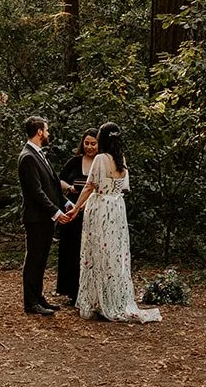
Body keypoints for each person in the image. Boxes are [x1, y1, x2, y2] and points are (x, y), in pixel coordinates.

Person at [65, 123, 162, 324]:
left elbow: (89, 186)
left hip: (101, 207)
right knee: (114, 254)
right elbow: (124, 187)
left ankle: (99, 301)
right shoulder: (121, 160)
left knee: (97, 253)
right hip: (117, 209)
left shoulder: (100, 159)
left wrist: (76, 208)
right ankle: (114, 298)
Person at [17, 116, 71, 316]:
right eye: (46, 130)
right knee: (34, 259)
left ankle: (38, 297)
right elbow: (36, 192)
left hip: (44, 218)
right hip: (36, 218)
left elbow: (52, 185)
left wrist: (66, 203)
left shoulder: (38, 154)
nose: (48, 134)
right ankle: (31, 302)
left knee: (41, 259)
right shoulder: (28, 157)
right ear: (39, 132)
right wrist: (56, 212)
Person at [54, 128, 99, 305]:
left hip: (93, 209)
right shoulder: (74, 162)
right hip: (72, 209)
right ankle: (72, 290)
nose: (89, 147)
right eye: (86, 143)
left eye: (93, 143)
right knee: (71, 249)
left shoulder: (102, 161)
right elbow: (58, 180)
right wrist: (70, 188)